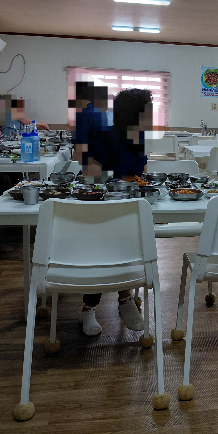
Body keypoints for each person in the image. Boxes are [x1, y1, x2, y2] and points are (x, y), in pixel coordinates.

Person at [74, 87, 152, 336]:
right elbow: (89, 170)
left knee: (129, 243)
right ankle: (90, 308)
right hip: (99, 205)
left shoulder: (139, 138)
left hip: (126, 204)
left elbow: (139, 173)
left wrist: (135, 181)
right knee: (105, 248)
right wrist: (115, 181)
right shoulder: (107, 136)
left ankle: (125, 299)